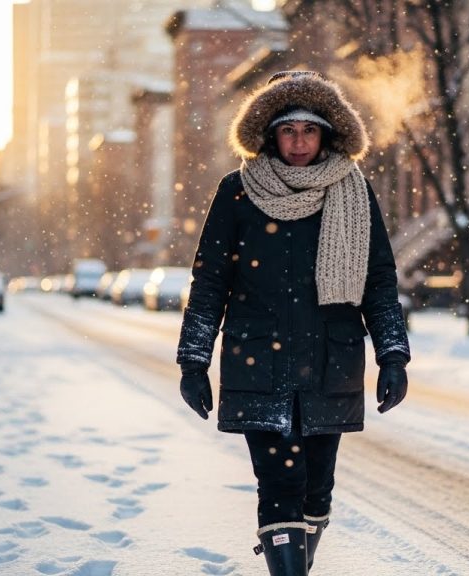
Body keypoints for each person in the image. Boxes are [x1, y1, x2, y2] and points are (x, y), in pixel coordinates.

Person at [176, 70, 411, 576]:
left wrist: (394, 356)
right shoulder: (237, 192)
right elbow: (210, 282)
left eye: (309, 130)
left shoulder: (352, 191)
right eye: (288, 130)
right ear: (269, 134)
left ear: (327, 133)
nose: (299, 141)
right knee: (280, 485)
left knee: (316, 490)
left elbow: (378, 281)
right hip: (258, 361)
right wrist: (193, 362)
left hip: (332, 362)